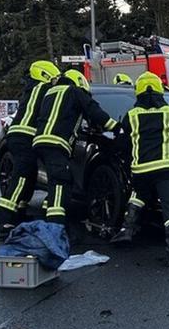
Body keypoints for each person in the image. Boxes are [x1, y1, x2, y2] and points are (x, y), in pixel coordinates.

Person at [110, 72, 169, 266]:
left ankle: (126, 230)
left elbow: (123, 142)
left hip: (141, 169)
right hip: (167, 167)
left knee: (138, 195)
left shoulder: (131, 115)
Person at [32, 70, 118, 236]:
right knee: (60, 182)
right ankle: (55, 229)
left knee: (57, 180)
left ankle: (47, 212)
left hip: (40, 142)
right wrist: (116, 127)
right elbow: (94, 111)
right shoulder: (74, 92)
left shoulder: (50, 92)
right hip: (56, 143)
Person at [0, 60, 61, 240]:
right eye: (54, 79)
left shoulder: (32, 89)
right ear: (45, 76)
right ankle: (4, 221)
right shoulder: (42, 88)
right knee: (21, 178)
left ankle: (19, 213)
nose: (56, 82)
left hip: (20, 136)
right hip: (24, 137)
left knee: (29, 175)